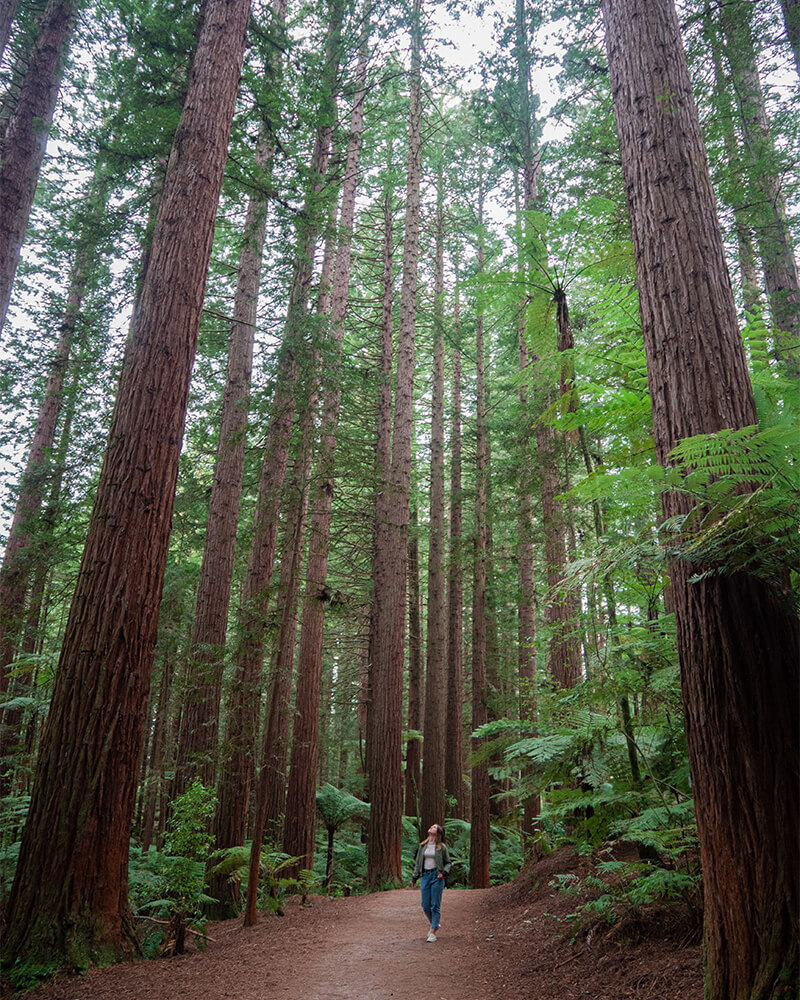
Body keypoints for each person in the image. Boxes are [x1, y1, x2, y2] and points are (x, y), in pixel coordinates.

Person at [411, 823, 452, 942]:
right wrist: (415, 877)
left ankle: (433, 931)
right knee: (425, 905)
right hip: (425, 876)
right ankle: (434, 923)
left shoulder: (442, 847)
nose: (431, 827)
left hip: (437, 877)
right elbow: (418, 863)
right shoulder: (422, 846)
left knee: (435, 905)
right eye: (431, 826)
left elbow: (448, 862)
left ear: (438, 833)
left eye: (434, 827)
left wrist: (443, 873)